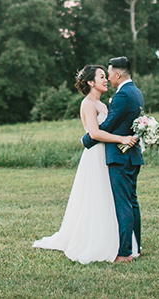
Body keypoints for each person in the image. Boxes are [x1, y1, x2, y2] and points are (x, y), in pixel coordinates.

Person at [33, 65, 138, 264]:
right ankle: (94, 241)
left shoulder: (103, 105)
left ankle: (114, 241)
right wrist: (122, 139)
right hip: (94, 156)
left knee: (107, 198)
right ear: (91, 82)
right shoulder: (88, 104)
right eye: (101, 77)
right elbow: (94, 134)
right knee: (95, 198)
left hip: (106, 155)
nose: (106, 80)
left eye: (105, 77)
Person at [81, 56, 144, 264]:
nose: (107, 78)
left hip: (119, 156)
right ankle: (136, 246)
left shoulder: (121, 96)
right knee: (131, 203)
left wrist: (86, 139)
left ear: (118, 74)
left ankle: (125, 252)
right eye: (102, 76)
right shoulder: (136, 92)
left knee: (124, 204)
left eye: (108, 74)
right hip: (129, 156)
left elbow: (105, 127)